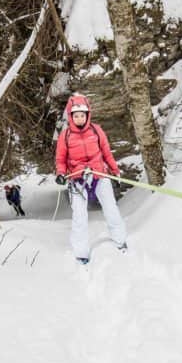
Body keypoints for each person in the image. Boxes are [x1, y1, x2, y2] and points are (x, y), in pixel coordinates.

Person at [54, 93, 127, 264]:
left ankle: (120, 240)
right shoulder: (65, 136)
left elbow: (107, 152)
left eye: (82, 115)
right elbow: (60, 159)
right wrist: (60, 173)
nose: (79, 119)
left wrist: (115, 171)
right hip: (77, 180)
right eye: (76, 116)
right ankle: (81, 252)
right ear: (71, 116)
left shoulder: (97, 130)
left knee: (111, 209)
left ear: (88, 115)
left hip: (99, 175)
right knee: (80, 216)